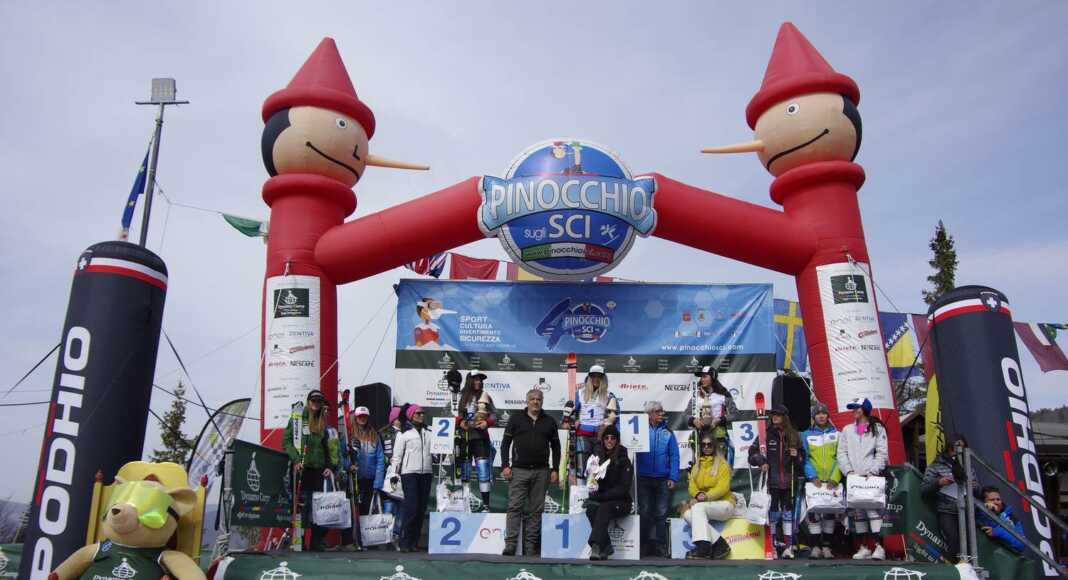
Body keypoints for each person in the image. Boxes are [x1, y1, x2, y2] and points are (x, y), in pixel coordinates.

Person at [500, 389, 561, 556]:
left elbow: (556, 447)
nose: (535, 402)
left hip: (542, 471)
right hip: (519, 470)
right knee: (514, 507)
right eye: (532, 399)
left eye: (538, 399)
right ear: (527, 401)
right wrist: (505, 465)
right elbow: (505, 443)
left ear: (542, 401)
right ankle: (510, 544)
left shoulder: (549, 421)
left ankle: (530, 546)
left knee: (536, 510)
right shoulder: (516, 419)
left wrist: (555, 468)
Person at [283, 390, 339, 552]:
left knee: (318, 507)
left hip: (318, 471)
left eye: (319, 401)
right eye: (313, 400)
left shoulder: (322, 421)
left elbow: (327, 448)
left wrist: (329, 466)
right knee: (301, 507)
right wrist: (295, 459)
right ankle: (298, 541)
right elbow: (286, 441)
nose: (316, 403)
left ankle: (316, 541)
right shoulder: (298, 418)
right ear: (308, 401)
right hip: (302, 469)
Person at [749, 404, 804, 559]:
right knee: (772, 513)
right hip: (771, 481)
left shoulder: (793, 435)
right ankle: (771, 546)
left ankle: (788, 547)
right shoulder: (765, 434)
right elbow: (751, 454)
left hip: (788, 482)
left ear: (785, 417)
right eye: (773, 415)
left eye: (778, 415)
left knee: (787, 514)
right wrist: (761, 461)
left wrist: (796, 456)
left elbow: (802, 460)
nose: (775, 417)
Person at [837, 397, 889, 560]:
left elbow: (882, 452)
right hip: (853, 477)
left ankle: (879, 547)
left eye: (857, 408)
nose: (854, 411)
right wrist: (848, 471)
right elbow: (842, 452)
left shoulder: (877, 428)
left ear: (865, 409)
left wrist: (873, 471)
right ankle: (864, 547)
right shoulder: (848, 430)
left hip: (870, 477)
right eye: (853, 408)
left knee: (872, 510)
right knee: (857, 512)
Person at [635, 401, 679, 558]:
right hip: (643, 478)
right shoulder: (639, 430)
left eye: (662, 411)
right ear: (649, 414)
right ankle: (643, 546)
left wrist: (673, 477)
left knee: (661, 513)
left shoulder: (668, 432)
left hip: (663, 479)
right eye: (658, 411)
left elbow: (674, 456)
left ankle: (661, 546)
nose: (662, 413)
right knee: (645, 512)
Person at [585, 426, 634, 560]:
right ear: (603, 440)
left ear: (617, 440)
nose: (609, 441)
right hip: (604, 499)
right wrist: (592, 488)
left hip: (622, 502)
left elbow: (623, 488)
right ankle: (606, 546)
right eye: (606, 438)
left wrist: (601, 497)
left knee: (604, 508)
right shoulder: (598, 459)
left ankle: (596, 546)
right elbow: (593, 482)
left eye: (613, 438)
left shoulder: (624, 460)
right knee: (591, 509)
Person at [682, 433, 734, 560]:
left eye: (709, 445)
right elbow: (692, 485)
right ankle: (720, 544)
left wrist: (705, 496)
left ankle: (703, 547)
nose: (706, 447)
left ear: (714, 447)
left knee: (697, 508)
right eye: (703, 444)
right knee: (687, 514)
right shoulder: (697, 465)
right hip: (705, 504)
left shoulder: (722, 464)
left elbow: (723, 487)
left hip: (725, 504)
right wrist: (697, 494)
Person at [802, 402, 843, 559]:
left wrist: (835, 477)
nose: (821, 416)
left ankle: (826, 547)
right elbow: (805, 458)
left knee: (829, 514)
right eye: (818, 414)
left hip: (832, 481)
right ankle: (815, 547)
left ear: (827, 416)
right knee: (813, 514)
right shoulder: (806, 435)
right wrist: (812, 476)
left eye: (824, 413)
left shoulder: (837, 434)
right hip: (815, 481)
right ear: (814, 417)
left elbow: (841, 457)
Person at [922, 433, 972, 560]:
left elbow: (977, 489)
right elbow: (924, 489)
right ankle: (951, 566)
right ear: (949, 447)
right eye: (956, 447)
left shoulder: (968, 465)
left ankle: (968, 567)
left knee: (969, 543)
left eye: (962, 447)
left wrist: (971, 484)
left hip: (967, 510)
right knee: (953, 541)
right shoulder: (936, 465)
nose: (958, 451)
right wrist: (939, 482)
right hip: (946, 510)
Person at [390, 405, 433, 552]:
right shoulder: (404, 433)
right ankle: (404, 542)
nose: (421, 416)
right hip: (409, 473)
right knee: (412, 508)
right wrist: (394, 474)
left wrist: (439, 454)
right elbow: (397, 456)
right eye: (418, 413)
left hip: (426, 473)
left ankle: (414, 542)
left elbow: (435, 452)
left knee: (421, 509)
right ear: (410, 415)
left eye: (422, 413)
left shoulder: (429, 432)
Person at [573, 365, 619, 484]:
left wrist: (607, 425)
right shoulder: (579, 393)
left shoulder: (609, 395)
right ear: (589, 377)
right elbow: (571, 413)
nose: (596, 379)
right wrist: (574, 420)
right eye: (593, 376)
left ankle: (595, 492)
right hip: (582, 434)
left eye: (599, 376)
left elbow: (614, 416)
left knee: (597, 468)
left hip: (599, 436)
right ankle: (581, 493)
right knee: (581, 467)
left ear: (603, 378)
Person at [459, 371, 497, 511]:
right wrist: (459, 421)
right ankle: (465, 505)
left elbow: (495, 415)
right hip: (464, 438)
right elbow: (449, 413)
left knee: (483, 469)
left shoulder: (485, 396)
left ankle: (486, 505)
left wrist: (487, 423)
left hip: (481, 438)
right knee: (465, 472)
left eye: (480, 380)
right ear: (469, 380)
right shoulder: (459, 396)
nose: (479, 382)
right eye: (476, 379)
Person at [687, 366, 738, 460]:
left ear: (713, 377)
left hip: (719, 436)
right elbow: (686, 414)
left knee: (719, 466)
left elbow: (735, 414)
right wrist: (693, 420)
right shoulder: (696, 394)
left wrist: (720, 420)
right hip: (700, 436)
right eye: (701, 377)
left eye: (705, 376)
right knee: (701, 466)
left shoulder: (723, 394)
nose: (702, 379)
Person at [379, 406, 405, 547]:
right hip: (388, 475)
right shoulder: (383, 433)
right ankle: (385, 536)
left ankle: (396, 535)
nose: (401, 420)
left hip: (404, 474)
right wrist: (387, 460)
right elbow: (379, 454)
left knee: (401, 507)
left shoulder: (407, 432)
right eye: (398, 417)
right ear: (393, 419)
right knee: (389, 507)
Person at [976, 486, 1025, 552]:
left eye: (998, 499)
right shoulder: (979, 511)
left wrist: (998, 532)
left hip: (1006, 554)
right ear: (984, 501)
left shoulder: (1012, 518)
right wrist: (988, 510)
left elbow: (1021, 544)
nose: (996, 502)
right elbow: (985, 523)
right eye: (992, 500)